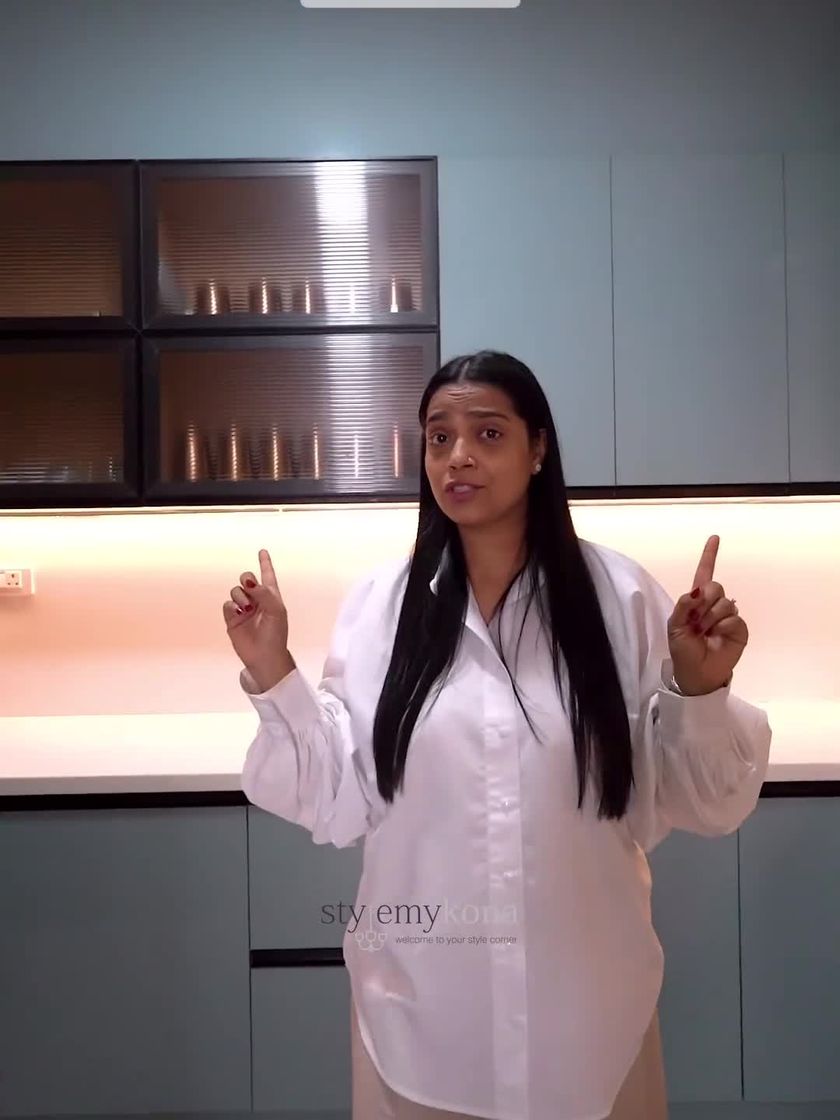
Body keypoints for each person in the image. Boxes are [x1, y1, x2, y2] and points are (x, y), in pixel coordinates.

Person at [225, 350, 772, 1120]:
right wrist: (271, 668)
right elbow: (339, 798)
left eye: (487, 433)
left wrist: (700, 688)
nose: (458, 456)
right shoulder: (381, 610)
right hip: (423, 1028)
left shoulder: (619, 600)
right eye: (439, 437)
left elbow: (702, 802)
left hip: (590, 1029)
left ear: (537, 448)